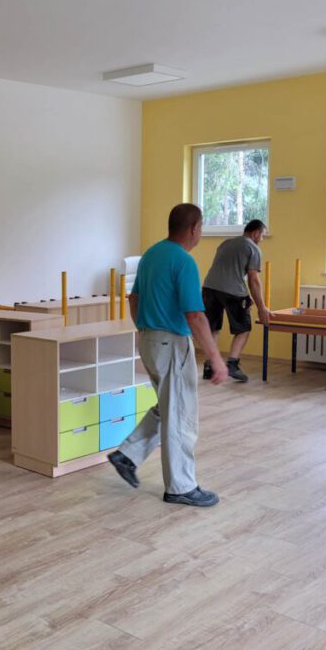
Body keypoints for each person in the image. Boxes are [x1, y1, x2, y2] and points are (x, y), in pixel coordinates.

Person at [107, 203, 226, 507]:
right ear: (194, 229)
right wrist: (215, 357)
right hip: (171, 344)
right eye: (201, 227)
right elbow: (195, 316)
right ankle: (181, 487)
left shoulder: (151, 255)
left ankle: (127, 455)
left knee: (168, 406)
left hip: (149, 340)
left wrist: (146, 330)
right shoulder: (183, 262)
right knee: (180, 414)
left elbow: (133, 299)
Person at [200, 219, 272, 383]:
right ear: (256, 233)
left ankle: (209, 366)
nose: (262, 239)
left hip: (209, 288)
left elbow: (225, 270)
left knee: (213, 327)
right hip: (233, 291)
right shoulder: (253, 248)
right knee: (243, 328)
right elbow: (253, 280)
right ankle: (232, 364)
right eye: (262, 236)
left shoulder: (225, 243)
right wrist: (261, 307)